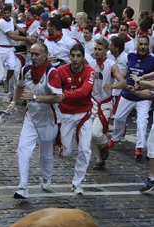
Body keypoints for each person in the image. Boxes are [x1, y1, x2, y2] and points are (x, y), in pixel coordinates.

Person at [6, 42, 61, 199]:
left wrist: (36, 97)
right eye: (32, 53)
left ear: (45, 56)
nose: (33, 57)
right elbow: (19, 86)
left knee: (45, 154)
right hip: (31, 116)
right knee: (23, 149)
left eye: (37, 54)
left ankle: (46, 177)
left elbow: (58, 98)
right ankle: (22, 187)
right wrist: (14, 102)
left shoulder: (52, 73)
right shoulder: (26, 70)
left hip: (49, 118)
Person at [54, 43, 95, 195]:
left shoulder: (90, 72)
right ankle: (57, 141)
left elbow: (84, 91)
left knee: (85, 149)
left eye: (78, 56)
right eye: (73, 56)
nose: (75, 59)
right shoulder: (61, 71)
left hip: (84, 114)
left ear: (83, 57)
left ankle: (77, 183)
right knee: (66, 152)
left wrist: (64, 95)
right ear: (69, 57)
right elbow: (54, 89)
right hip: (66, 114)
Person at [107, 35, 154, 159]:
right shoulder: (130, 56)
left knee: (142, 122)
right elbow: (125, 71)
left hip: (143, 97)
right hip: (127, 94)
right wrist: (120, 81)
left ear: (148, 45)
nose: (143, 47)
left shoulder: (152, 59)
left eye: (145, 44)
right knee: (118, 117)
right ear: (137, 44)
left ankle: (139, 148)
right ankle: (116, 137)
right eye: (141, 44)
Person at [89, 37, 125, 170]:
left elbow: (122, 82)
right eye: (95, 49)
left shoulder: (111, 65)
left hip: (104, 104)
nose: (96, 52)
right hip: (92, 103)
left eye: (99, 49)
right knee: (89, 135)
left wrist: (112, 86)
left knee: (96, 133)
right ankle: (99, 159)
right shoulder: (91, 64)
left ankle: (104, 144)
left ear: (105, 51)